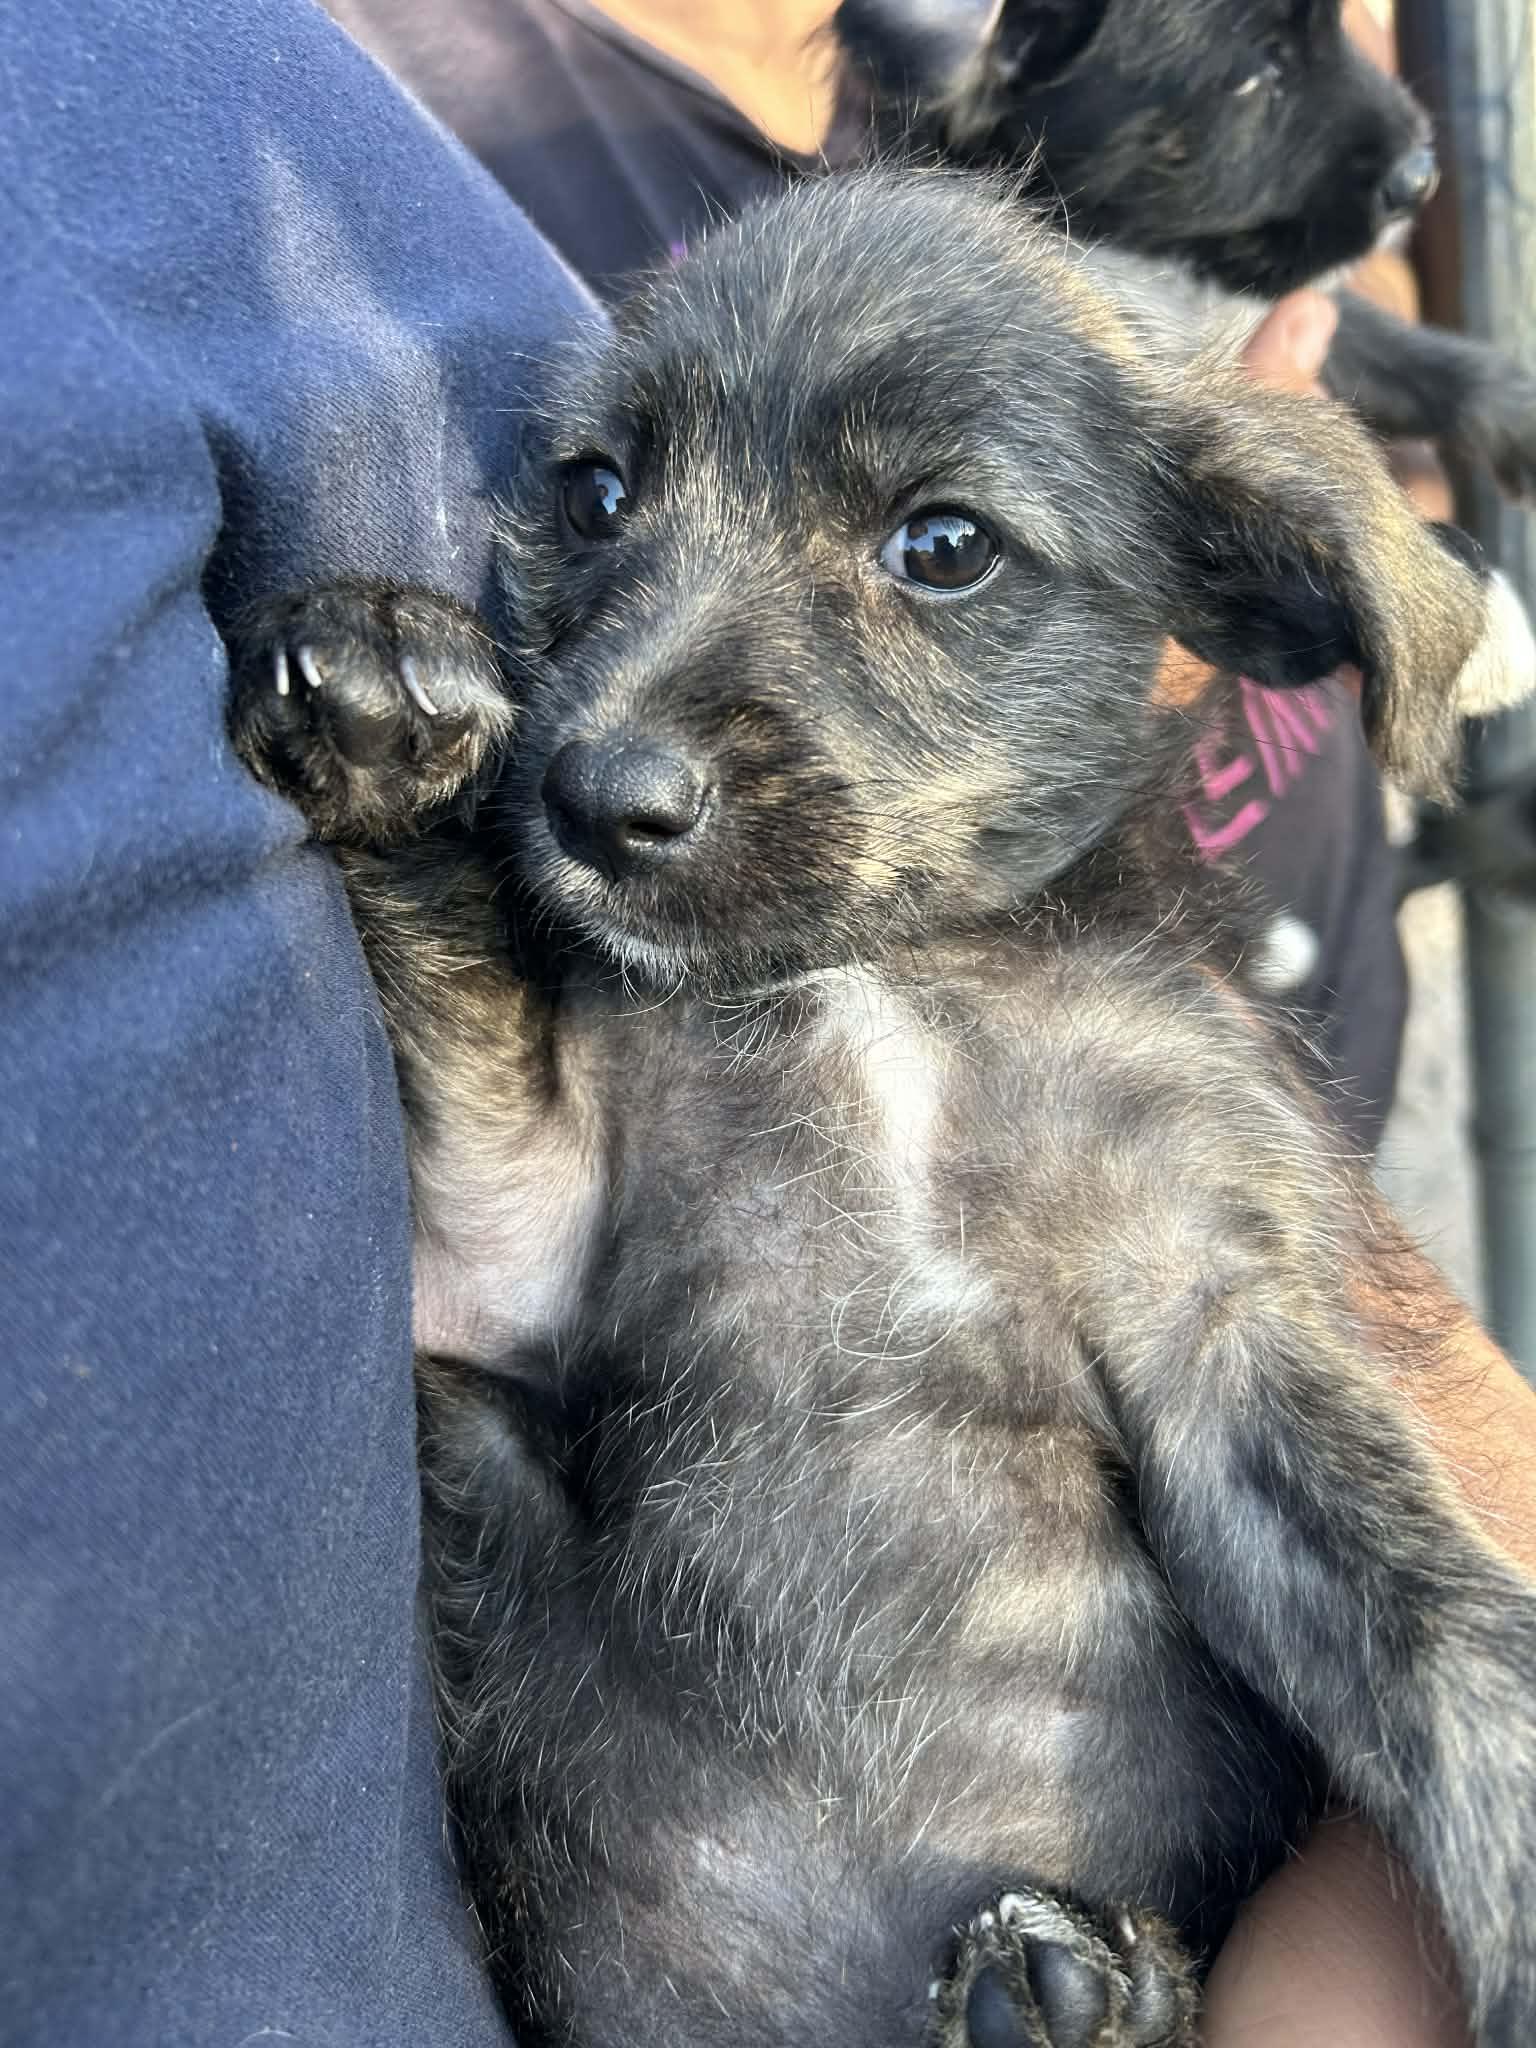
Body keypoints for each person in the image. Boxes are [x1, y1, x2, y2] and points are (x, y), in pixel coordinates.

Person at [3, 2, 1533, 2045]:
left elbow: (1367, 1553)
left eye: (935, 549)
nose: (624, 722)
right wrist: (406, 821)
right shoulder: (635, 1022)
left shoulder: (1143, 1080)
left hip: (1114, 1912)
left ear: (1231, 592)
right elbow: (486, 1223)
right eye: (606, 498)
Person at [320, 0, 1413, 1154]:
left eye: (938, 548)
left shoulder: (1042, 51)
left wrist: (1311, 509)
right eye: (602, 502)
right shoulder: (382, 79)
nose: (617, 748)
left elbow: (1367, 250)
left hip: (1319, 1040)